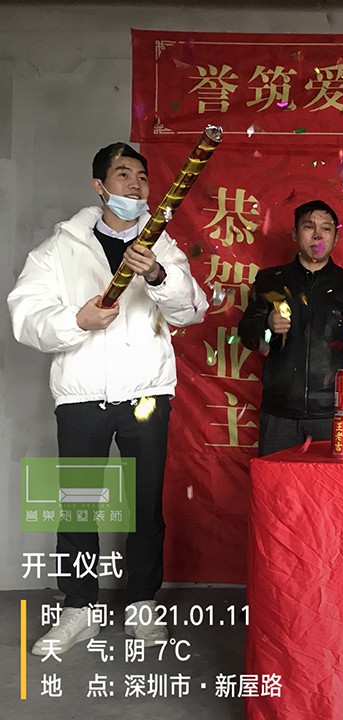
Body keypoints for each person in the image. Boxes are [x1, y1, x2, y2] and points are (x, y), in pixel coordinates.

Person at [7, 142, 209, 655]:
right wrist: (76, 320)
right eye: (123, 175)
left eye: (142, 176)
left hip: (145, 395)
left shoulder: (160, 245)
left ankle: (142, 602)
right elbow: (25, 316)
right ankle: (79, 609)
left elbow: (192, 310)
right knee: (77, 507)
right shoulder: (60, 247)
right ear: (99, 186)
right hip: (81, 397)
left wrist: (158, 276)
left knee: (145, 505)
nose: (135, 185)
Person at [238, 200, 343, 455]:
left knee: (333, 481)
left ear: (335, 237)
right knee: (276, 481)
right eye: (309, 227)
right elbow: (247, 335)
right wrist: (267, 325)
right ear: (294, 233)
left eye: (326, 228)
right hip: (280, 411)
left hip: (335, 413)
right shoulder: (270, 280)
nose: (317, 235)